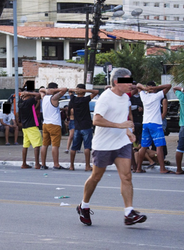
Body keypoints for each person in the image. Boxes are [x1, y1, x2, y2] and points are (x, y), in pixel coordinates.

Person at [76, 68, 147, 226]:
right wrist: (120, 125)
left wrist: (127, 131)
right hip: (103, 144)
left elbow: (122, 118)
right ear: (116, 82)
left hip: (121, 143)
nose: (131, 85)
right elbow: (97, 120)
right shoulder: (106, 98)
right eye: (127, 81)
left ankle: (129, 212)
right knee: (96, 177)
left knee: (127, 176)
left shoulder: (125, 98)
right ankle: (84, 206)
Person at [135, 81, 173, 174]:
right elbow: (169, 86)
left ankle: (138, 168)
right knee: (159, 147)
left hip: (146, 123)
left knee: (143, 147)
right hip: (156, 124)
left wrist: (145, 88)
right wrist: (156, 88)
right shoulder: (157, 96)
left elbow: (138, 85)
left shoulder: (144, 96)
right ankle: (162, 168)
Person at [68, 84, 99, 171]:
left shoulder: (73, 99)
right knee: (87, 147)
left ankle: (71, 165)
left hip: (77, 126)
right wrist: (84, 91)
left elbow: (69, 90)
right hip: (86, 125)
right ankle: (87, 166)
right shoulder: (85, 99)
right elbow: (96, 92)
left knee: (74, 147)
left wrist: (76, 90)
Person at [39, 82, 68, 170]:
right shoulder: (54, 98)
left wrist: (46, 90)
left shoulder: (44, 97)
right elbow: (64, 89)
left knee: (45, 145)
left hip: (45, 124)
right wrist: (54, 90)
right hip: (54, 124)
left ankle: (43, 164)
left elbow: (40, 90)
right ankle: (56, 164)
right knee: (55, 145)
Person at [18, 90, 43, 169]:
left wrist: (24, 95)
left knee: (25, 145)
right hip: (32, 126)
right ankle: (37, 163)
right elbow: (39, 95)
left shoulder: (20, 103)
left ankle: (24, 163)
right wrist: (28, 93)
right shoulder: (29, 102)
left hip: (25, 127)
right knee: (37, 145)